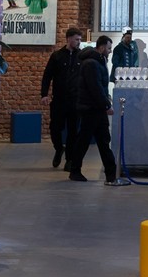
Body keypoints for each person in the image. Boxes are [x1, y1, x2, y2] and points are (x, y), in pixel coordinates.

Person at [66, 35, 119, 184]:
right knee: (86, 140)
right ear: (101, 47)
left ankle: (110, 174)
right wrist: (106, 105)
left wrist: (105, 101)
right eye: (108, 48)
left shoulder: (98, 61)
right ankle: (76, 170)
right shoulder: (91, 63)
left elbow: (100, 86)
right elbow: (95, 87)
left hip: (96, 108)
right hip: (91, 108)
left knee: (102, 140)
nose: (110, 51)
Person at [40, 28, 84, 170]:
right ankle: (59, 148)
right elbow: (47, 76)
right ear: (68, 39)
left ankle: (69, 159)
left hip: (75, 100)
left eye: (80, 39)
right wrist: (44, 94)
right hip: (59, 99)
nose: (79, 42)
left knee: (73, 130)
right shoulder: (57, 56)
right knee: (55, 128)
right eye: (76, 39)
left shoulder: (81, 57)